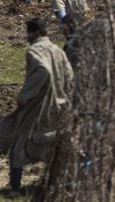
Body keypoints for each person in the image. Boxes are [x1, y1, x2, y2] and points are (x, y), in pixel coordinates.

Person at [0, 19, 74, 194]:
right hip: (59, 107)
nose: (27, 36)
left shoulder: (34, 51)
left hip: (38, 109)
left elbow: (43, 70)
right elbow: (70, 75)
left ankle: (15, 189)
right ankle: (62, 186)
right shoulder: (58, 50)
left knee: (18, 147)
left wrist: (24, 96)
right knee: (54, 146)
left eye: (28, 33)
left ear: (34, 33)